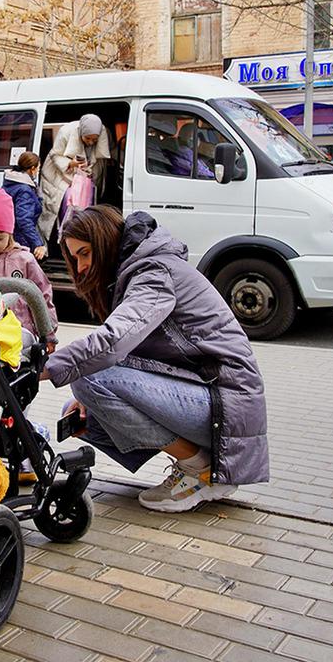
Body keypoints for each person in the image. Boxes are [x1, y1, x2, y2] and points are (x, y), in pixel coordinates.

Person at [42, 205, 268, 512]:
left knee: (87, 379)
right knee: (86, 413)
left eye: (84, 253)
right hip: (207, 395)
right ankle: (194, 464)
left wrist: (44, 368)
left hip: (226, 403)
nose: (80, 267)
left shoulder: (154, 272)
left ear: (106, 242)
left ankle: (200, 471)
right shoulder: (138, 271)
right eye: (75, 257)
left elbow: (116, 340)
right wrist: (88, 400)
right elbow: (133, 351)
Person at [0, 188, 58, 344]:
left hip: (23, 336)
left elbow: (43, 293)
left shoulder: (24, 260)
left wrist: (48, 331)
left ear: (10, 234)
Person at [37, 114, 111, 242]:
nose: (91, 142)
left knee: (87, 208)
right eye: (87, 138)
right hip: (61, 177)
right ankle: (66, 240)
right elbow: (56, 155)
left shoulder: (104, 132)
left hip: (86, 179)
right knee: (68, 206)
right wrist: (71, 164)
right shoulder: (66, 132)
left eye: (95, 139)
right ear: (81, 132)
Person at [2, 151, 47, 261]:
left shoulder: (11, 183)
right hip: (21, 240)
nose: (38, 171)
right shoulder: (24, 190)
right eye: (38, 168)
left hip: (10, 237)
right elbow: (24, 220)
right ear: (32, 169)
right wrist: (37, 244)